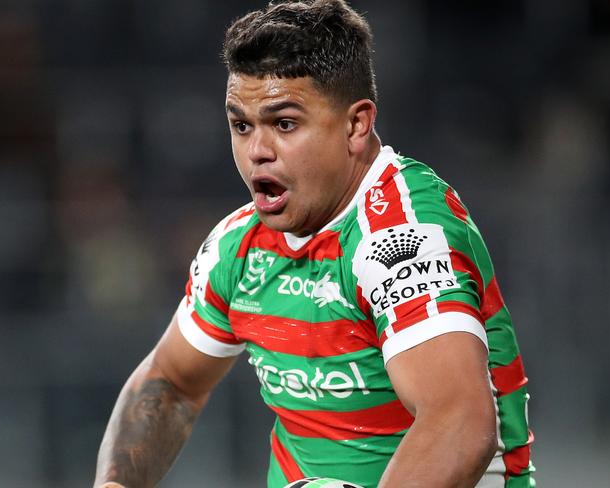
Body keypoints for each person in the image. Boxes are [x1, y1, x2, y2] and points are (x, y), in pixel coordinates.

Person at [93, 1, 535, 487]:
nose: (257, 151)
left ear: (356, 125)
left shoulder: (401, 237)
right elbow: (172, 384)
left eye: (284, 124)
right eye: (242, 125)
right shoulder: (238, 247)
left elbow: (459, 422)